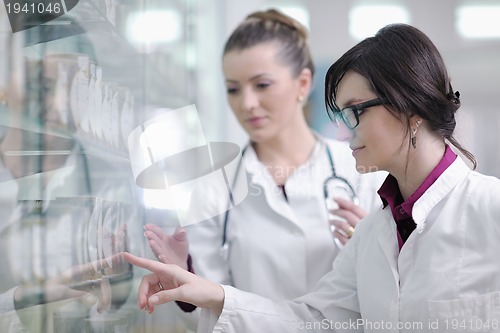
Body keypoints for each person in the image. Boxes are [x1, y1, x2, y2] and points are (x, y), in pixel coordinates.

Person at [124, 23, 500, 333]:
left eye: (356, 111)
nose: (347, 131)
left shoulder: (490, 209)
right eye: (234, 89)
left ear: (408, 104)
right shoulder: (375, 233)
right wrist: (207, 291)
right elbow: (314, 320)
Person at [142, 8, 384, 319]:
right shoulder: (212, 186)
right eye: (233, 89)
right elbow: (205, 308)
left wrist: (371, 249)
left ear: (303, 83)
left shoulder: (360, 172)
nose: (247, 103)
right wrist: (183, 281)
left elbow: (390, 295)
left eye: (262, 85)